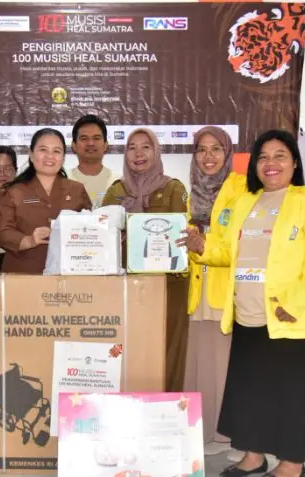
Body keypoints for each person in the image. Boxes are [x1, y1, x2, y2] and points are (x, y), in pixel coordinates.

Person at [183, 130, 305, 477]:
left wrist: (294, 303)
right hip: (248, 316)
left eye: (279, 156)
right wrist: (201, 248)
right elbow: (228, 253)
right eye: (263, 157)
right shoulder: (246, 202)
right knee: (251, 392)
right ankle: (254, 457)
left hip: (291, 319)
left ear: (295, 163)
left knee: (294, 395)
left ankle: (292, 464)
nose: (270, 163)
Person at [102, 128, 189, 392]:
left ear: (156, 151)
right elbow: (102, 235)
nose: (138, 153)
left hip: (167, 285)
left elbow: (181, 236)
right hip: (126, 286)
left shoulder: (173, 188)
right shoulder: (116, 191)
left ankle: (167, 405)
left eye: (145, 147)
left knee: (167, 349)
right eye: (131, 147)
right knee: (128, 347)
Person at [176, 126, 244, 456]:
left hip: (225, 292)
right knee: (198, 365)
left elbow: (239, 246)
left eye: (216, 148)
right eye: (201, 149)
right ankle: (200, 432)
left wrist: (202, 245)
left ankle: (226, 434)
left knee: (224, 368)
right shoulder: (189, 194)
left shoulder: (242, 190)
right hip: (196, 292)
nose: (208, 156)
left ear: (227, 153)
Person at [0, 128, 92, 274]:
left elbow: (91, 229)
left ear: (63, 158)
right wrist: (27, 240)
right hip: (22, 274)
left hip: (68, 274)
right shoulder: (13, 192)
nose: (49, 156)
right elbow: (1, 232)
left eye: (56, 151)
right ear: (31, 154)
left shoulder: (77, 190)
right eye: (43, 150)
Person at [69, 115, 119, 208]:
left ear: (105, 145)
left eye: (96, 138)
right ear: (74, 145)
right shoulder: (63, 181)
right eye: (84, 138)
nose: (90, 143)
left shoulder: (118, 182)